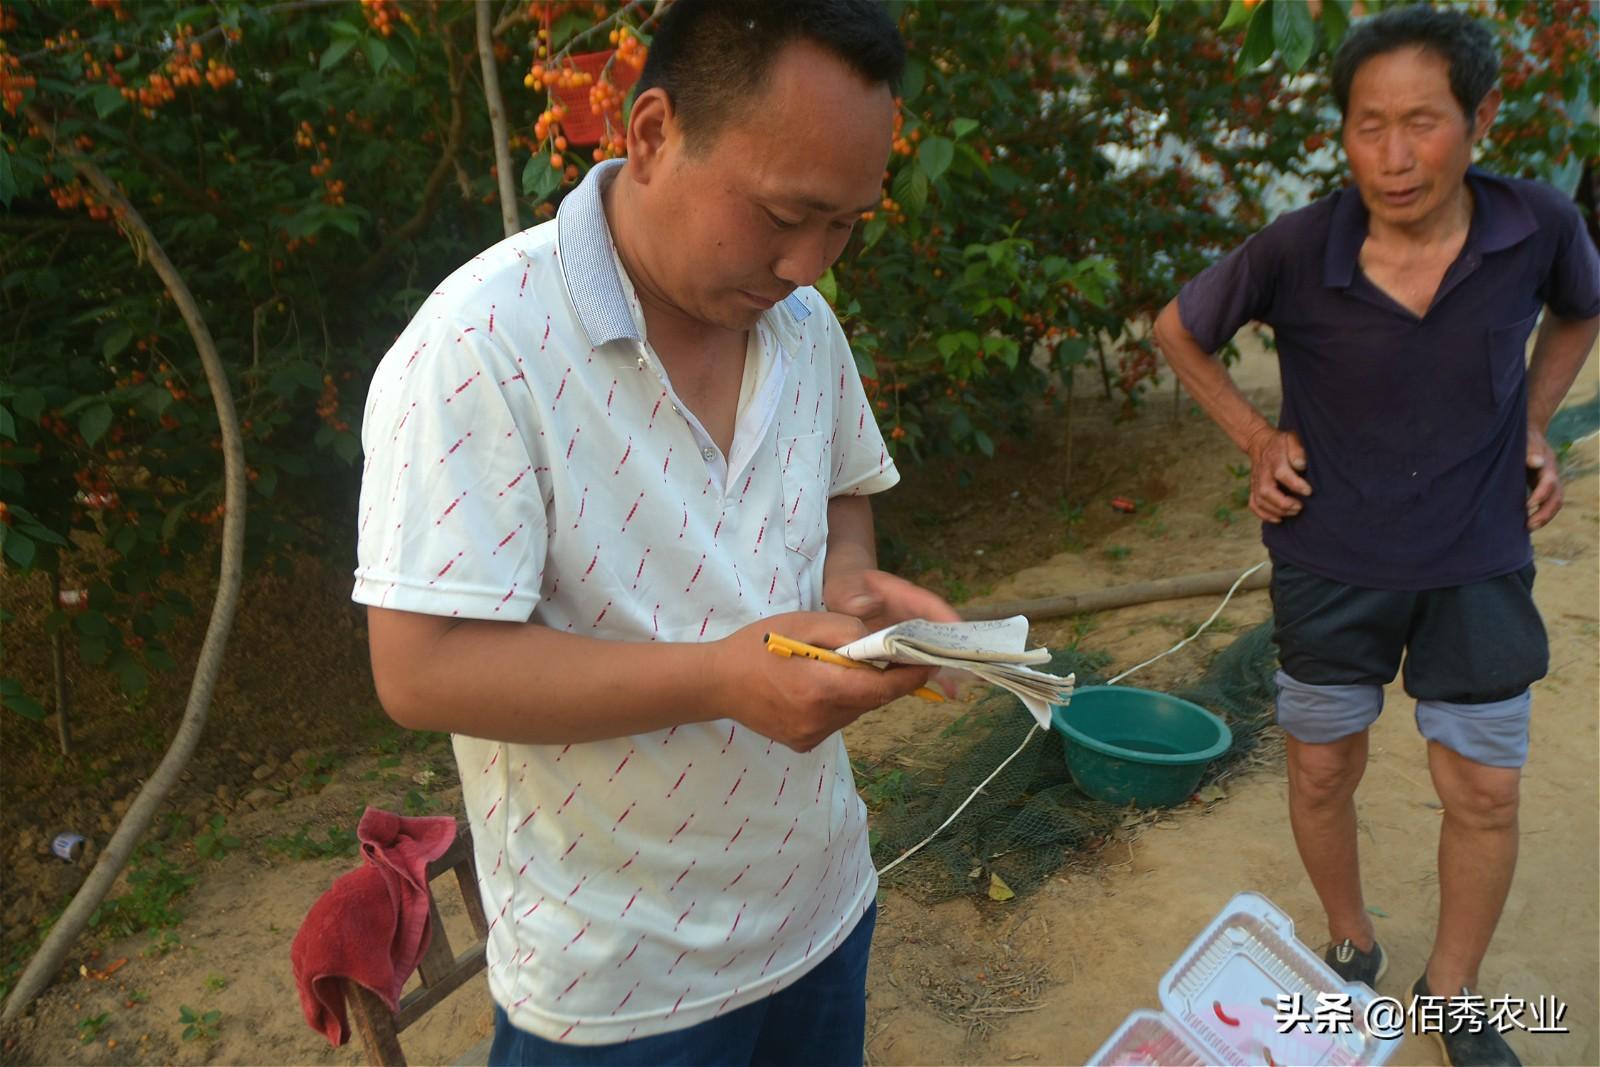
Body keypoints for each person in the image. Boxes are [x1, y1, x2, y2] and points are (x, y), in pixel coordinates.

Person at [351, 2, 960, 1063]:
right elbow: (421, 668)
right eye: (783, 215)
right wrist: (721, 679)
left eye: (848, 225)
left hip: (821, 908)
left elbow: (839, 490)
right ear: (649, 133)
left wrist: (853, 583)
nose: (811, 263)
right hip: (620, 983)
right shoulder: (480, 345)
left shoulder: (803, 326)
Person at [1153, 8, 1598, 1066]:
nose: (1394, 157)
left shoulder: (1534, 225)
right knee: (1320, 770)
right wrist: (1256, 437)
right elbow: (1179, 329)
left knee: (1482, 788)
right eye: (1367, 126)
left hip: (1477, 558)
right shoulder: (1299, 247)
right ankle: (1349, 940)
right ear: (1342, 132)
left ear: (1478, 118)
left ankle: (1453, 992)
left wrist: (1534, 421)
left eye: (1422, 122)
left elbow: (1580, 310)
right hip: (1328, 559)